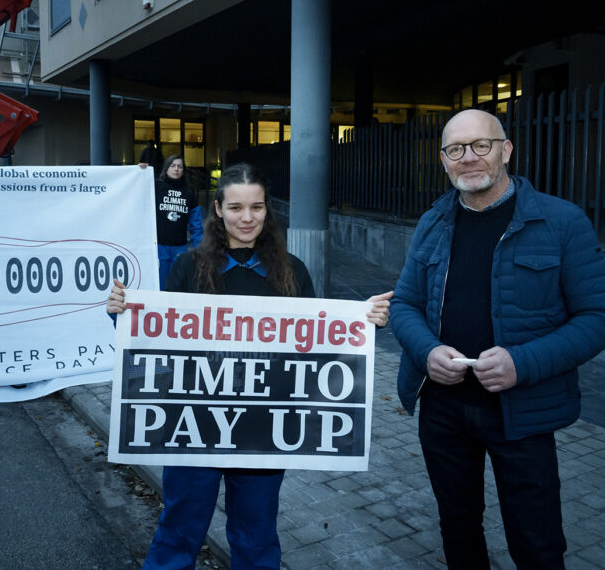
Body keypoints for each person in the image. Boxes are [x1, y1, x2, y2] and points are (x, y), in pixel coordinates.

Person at [108, 162, 393, 569]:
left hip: (262, 428)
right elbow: (156, 337)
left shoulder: (292, 272)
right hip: (194, 426)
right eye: (236, 207)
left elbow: (319, 347)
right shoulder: (188, 267)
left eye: (256, 208)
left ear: (266, 211)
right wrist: (123, 315)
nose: (247, 218)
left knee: (256, 539)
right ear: (218, 210)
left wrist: (362, 325)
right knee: (178, 533)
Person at [391, 109, 605, 569]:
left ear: (506, 150)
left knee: (536, 542)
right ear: (443, 159)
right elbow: (404, 305)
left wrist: (523, 362)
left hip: (523, 413)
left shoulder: (561, 222)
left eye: (482, 145)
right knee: (457, 528)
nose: (469, 158)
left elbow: (600, 317)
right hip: (443, 408)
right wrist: (427, 351)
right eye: (456, 149)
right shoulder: (433, 222)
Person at [153, 155, 203, 289]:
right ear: (166, 168)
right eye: (173, 165)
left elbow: (196, 223)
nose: (176, 169)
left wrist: (198, 248)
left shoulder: (189, 191)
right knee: (159, 286)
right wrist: (139, 171)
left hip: (180, 248)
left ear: (183, 170)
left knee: (178, 286)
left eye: (180, 166)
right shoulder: (156, 186)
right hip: (159, 246)